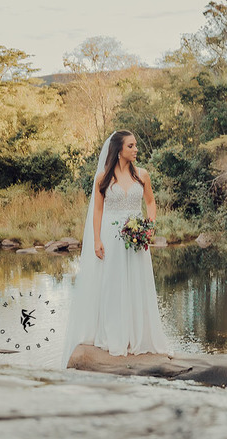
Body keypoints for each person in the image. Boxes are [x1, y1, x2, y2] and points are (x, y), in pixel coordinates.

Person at [62, 130, 171, 366]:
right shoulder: (102, 178)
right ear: (119, 150)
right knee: (113, 287)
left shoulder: (142, 175)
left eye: (136, 145)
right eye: (131, 146)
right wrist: (96, 240)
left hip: (137, 240)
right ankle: (115, 336)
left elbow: (150, 203)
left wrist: (149, 228)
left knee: (137, 284)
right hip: (112, 238)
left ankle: (138, 337)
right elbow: (98, 210)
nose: (136, 149)